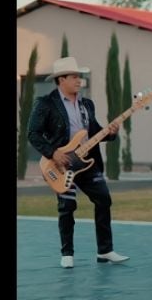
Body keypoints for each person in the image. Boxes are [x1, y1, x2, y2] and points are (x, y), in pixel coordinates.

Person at [27, 56, 130, 269]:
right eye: (74, 76)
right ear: (61, 80)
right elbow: (33, 133)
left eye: (79, 76)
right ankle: (67, 253)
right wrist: (53, 153)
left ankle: (105, 250)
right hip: (61, 165)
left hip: (87, 163)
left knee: (104, 200)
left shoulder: (86, 104)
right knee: (67, 206)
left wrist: (111, 133)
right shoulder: (46, 103)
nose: (78, 80)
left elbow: (94, 131)